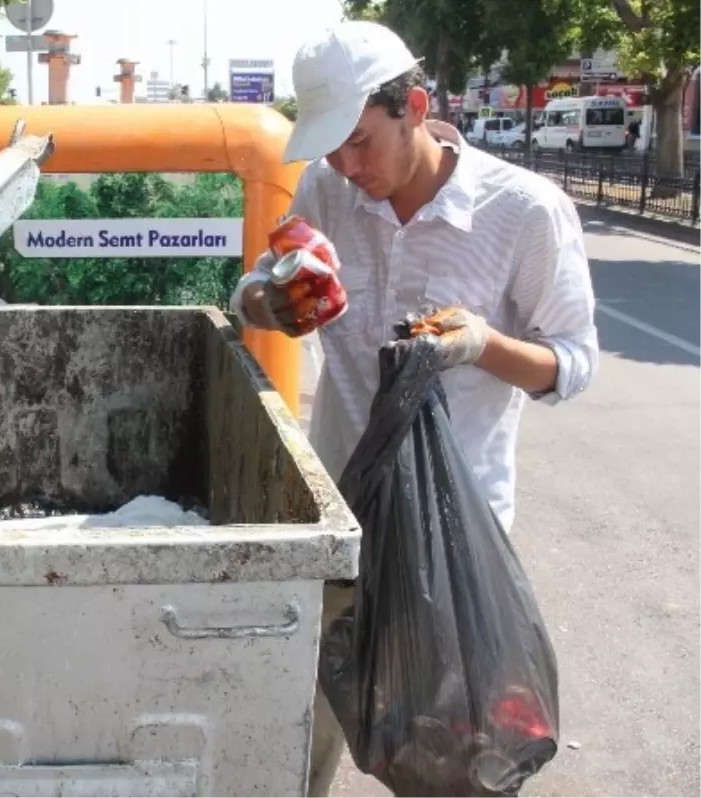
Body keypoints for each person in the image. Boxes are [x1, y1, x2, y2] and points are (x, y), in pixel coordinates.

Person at [228, 20, 598, 798]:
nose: (345, 164)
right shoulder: (326, 191)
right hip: (337, 508)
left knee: (449, 751)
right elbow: (253, 291)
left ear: (417, 107)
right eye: (331, 146)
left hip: (451, 537)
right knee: (305, 723)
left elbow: (573, 363)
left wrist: (481, 343)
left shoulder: (525, 213)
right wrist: (272, 304)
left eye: (360, 141)